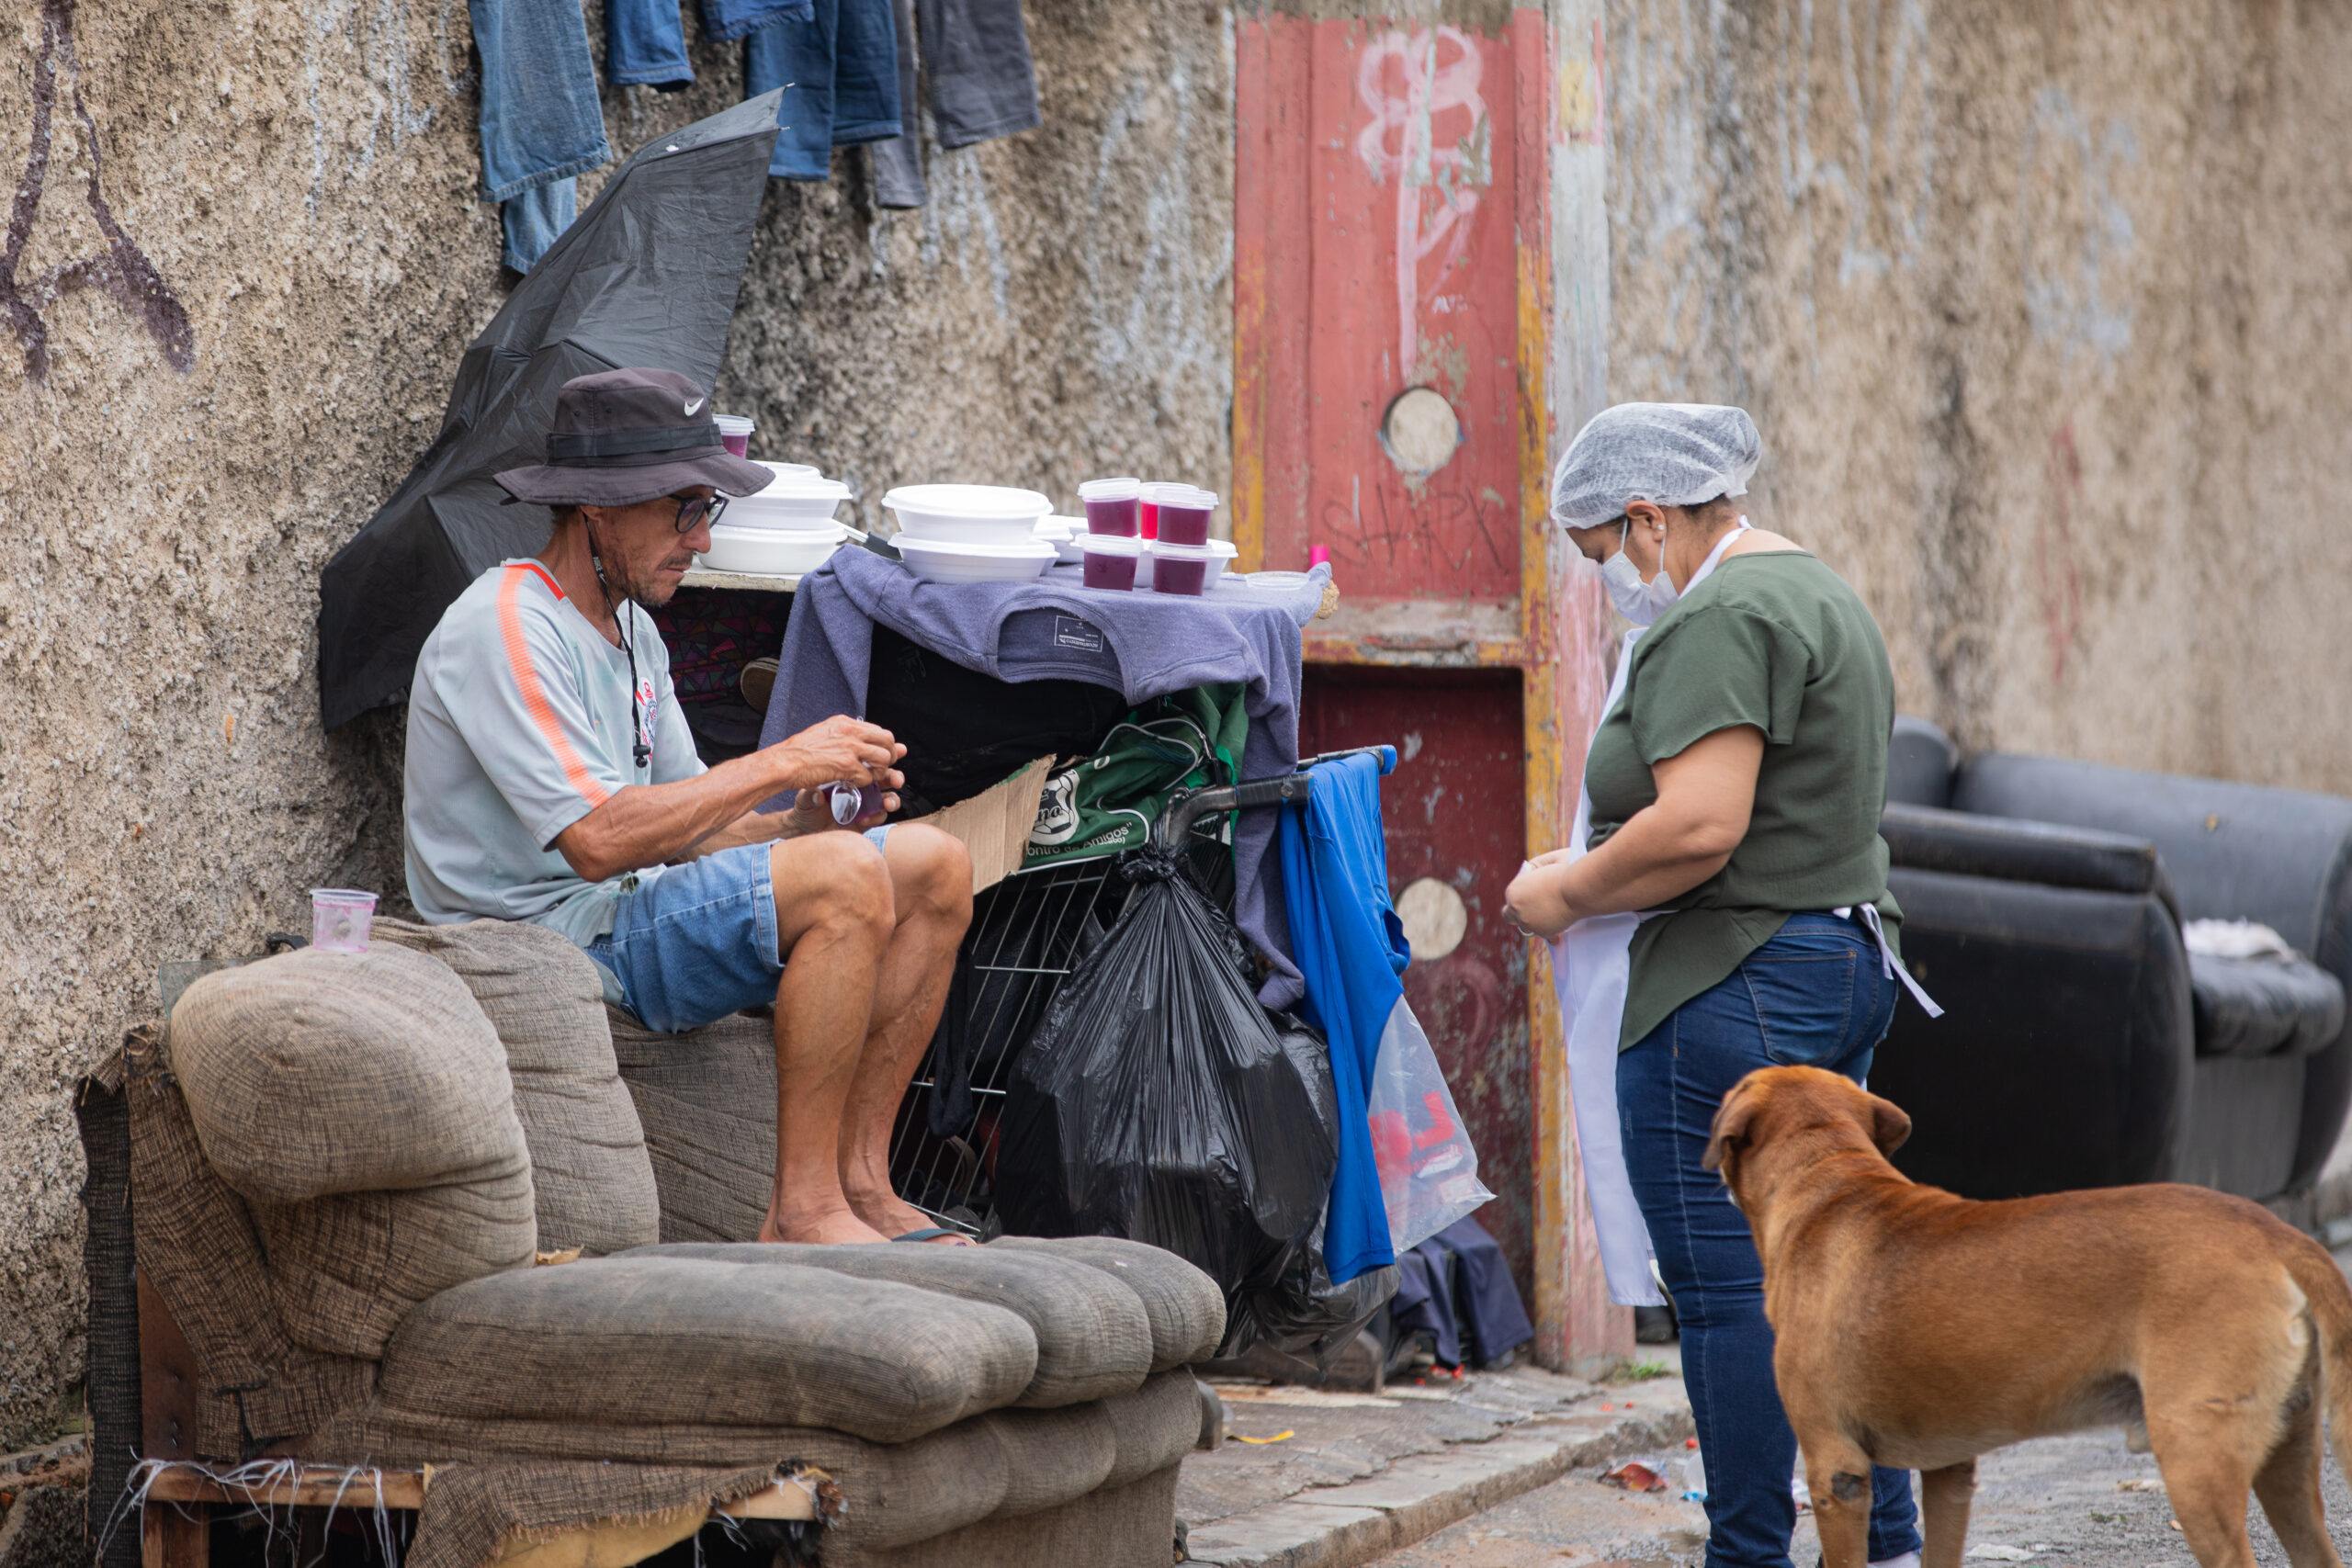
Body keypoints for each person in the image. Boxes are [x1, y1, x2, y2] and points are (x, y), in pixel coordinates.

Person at [401, 367, 976, 1247]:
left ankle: (862, 1181)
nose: (701, 540)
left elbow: (694, 827)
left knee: (936, 864)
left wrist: (799, 823)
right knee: (844, 883)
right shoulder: (505, 624)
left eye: (709, 510)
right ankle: (803, 1209)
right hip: (546, 932)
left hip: (624, 906)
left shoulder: (632, 632)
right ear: (598, 508)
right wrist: (778, 761)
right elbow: (598, 840)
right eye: (684, 510)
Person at [1506, 403, 1938, 1568]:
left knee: (1727, 1292)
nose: (1607, 583)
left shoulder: (1718, 612)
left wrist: (1568, 893)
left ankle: (1748, 1552)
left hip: (1734, 981)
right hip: (1833, 963)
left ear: (1648, 519)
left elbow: (1699, 824)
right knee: (1828, 1282)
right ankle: (1884, 1539)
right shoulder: (1811, 587)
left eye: (1602, 555)